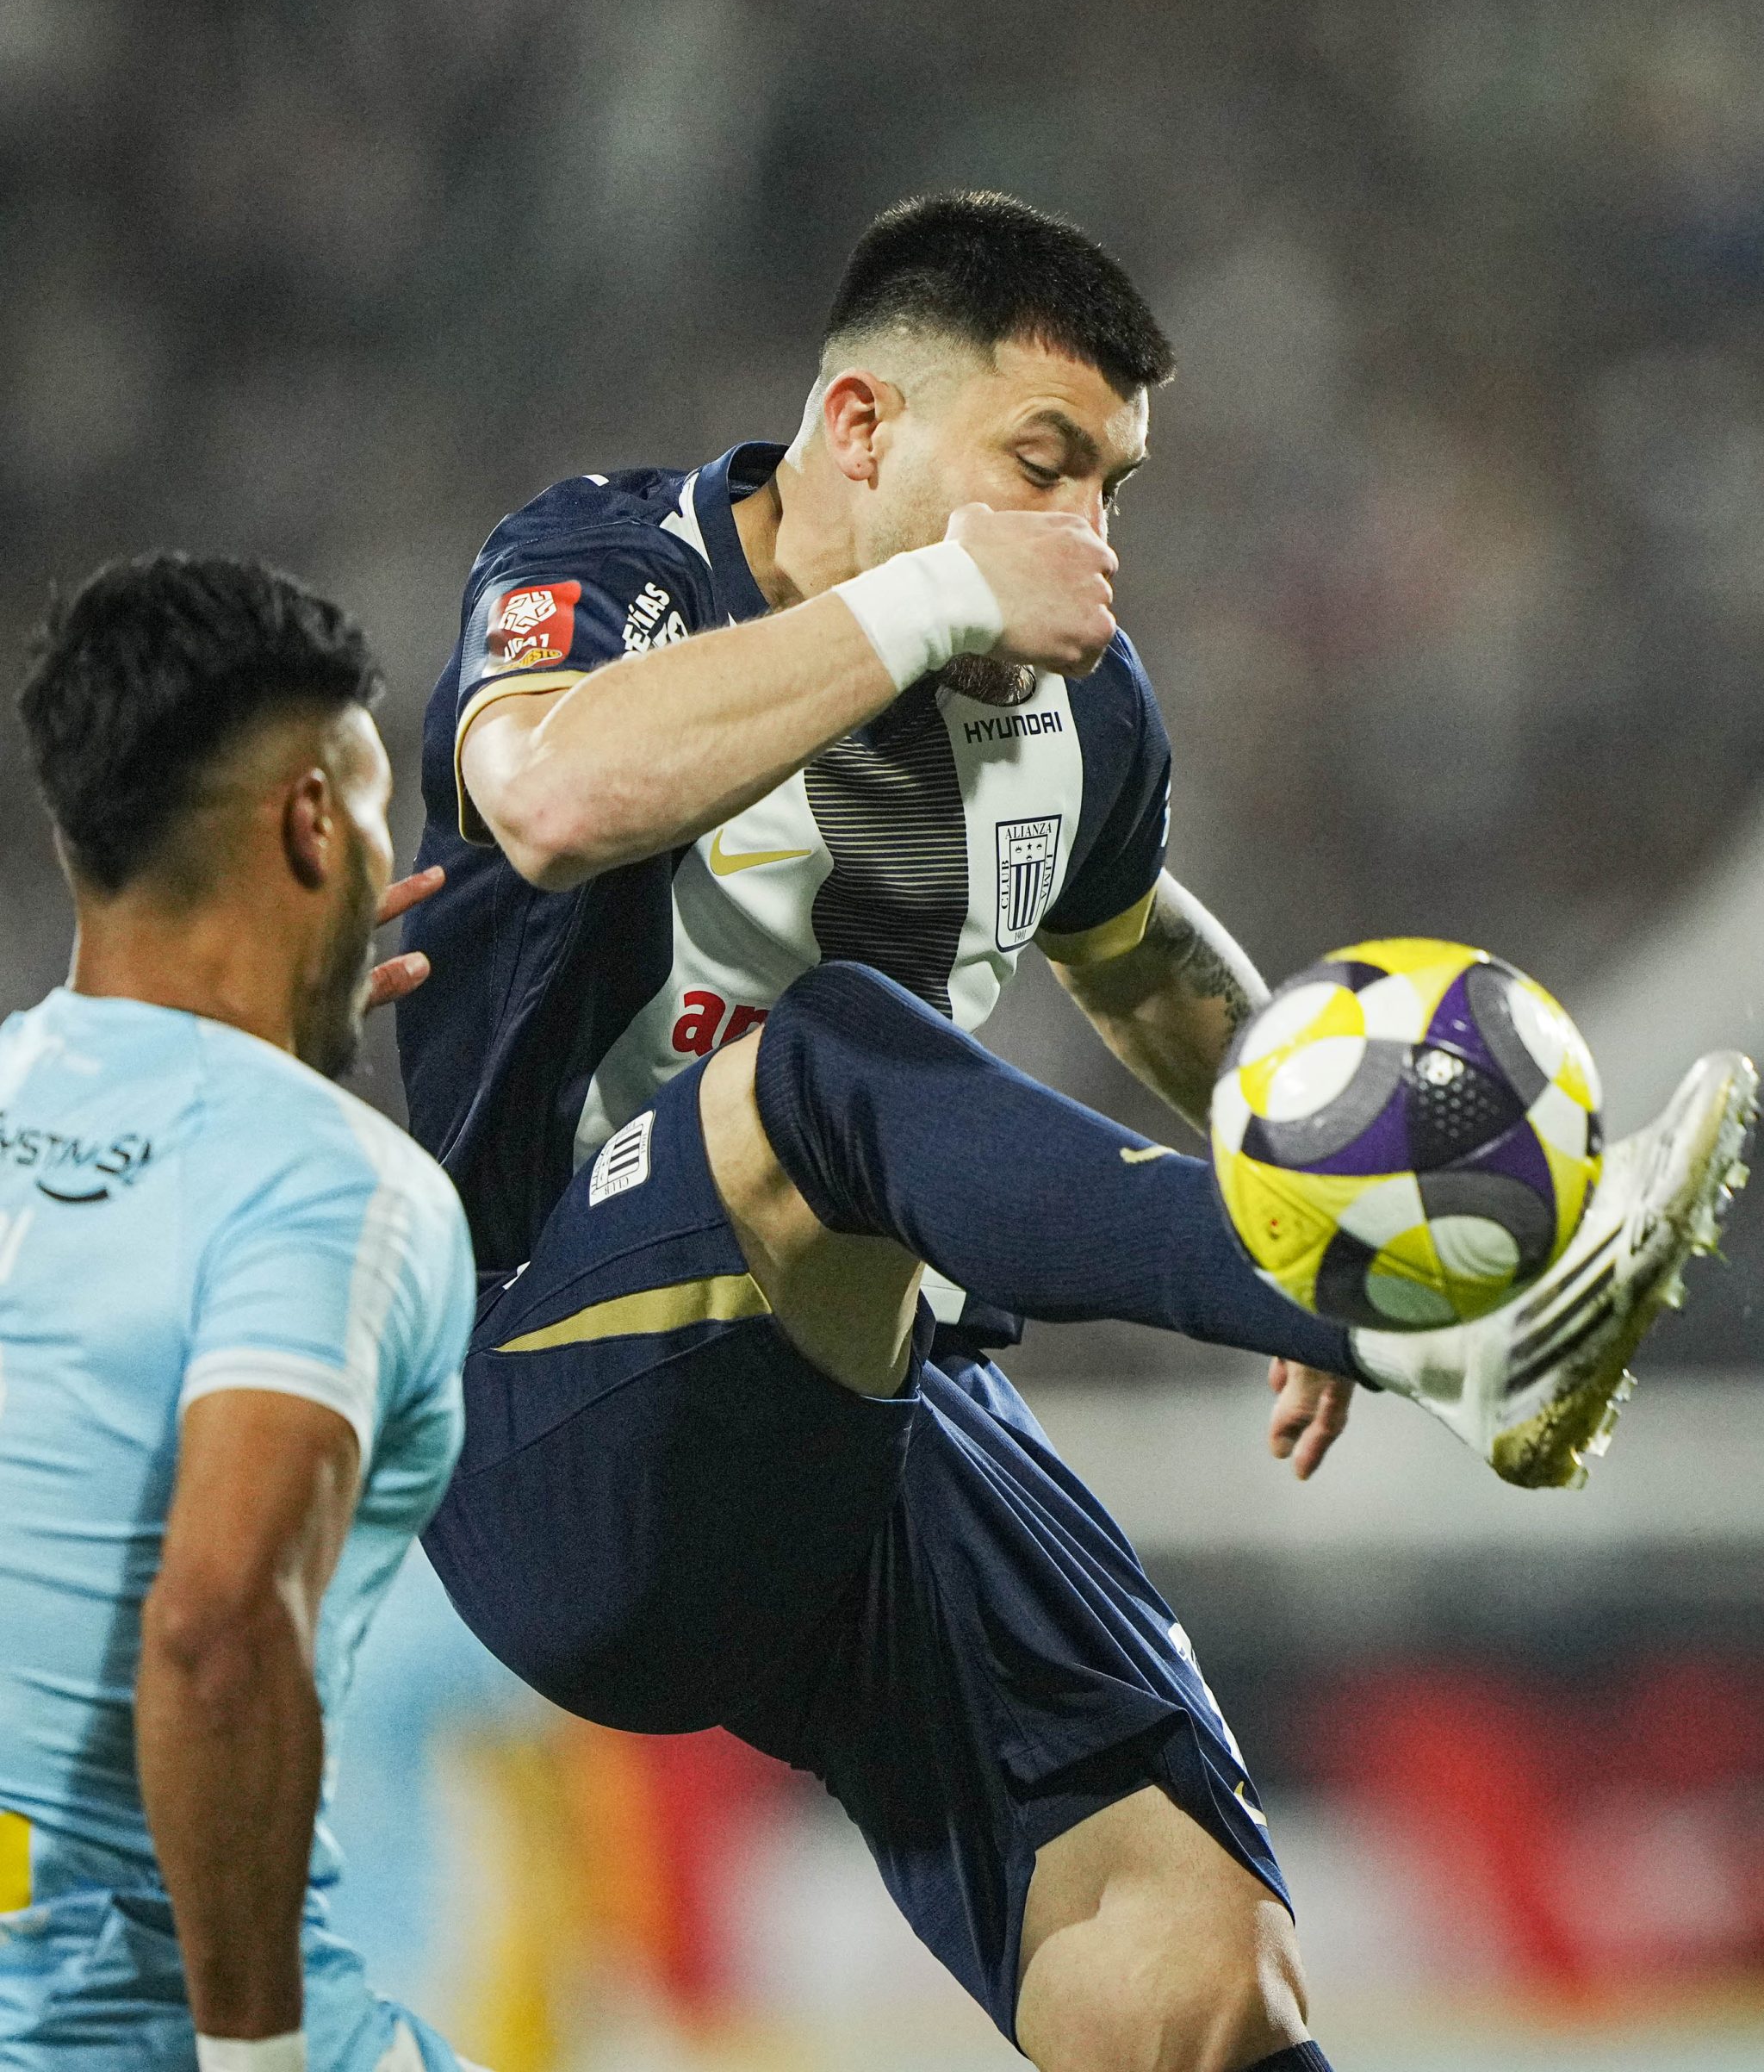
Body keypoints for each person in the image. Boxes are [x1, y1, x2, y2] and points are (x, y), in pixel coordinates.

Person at [401, 194, 1754, 2066]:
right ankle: (1451, 1328)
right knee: (826, 1056)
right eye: (1042, 469)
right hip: (549, 1410)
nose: (1087, 541)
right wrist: (938, 598)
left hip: (879, 1415)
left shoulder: (1075, 703)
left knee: (1198, 1972)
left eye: (1113, 488)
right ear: (860, 426)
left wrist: (1329, 1183)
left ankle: (1398, 1286)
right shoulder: (612, 564)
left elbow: (1141, 957)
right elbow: (551, 795)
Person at [0, 556, 487, 2072]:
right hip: (143, 2031)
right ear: (310, 823)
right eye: (374, 814)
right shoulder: (339, 1188)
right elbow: (218, 1629)